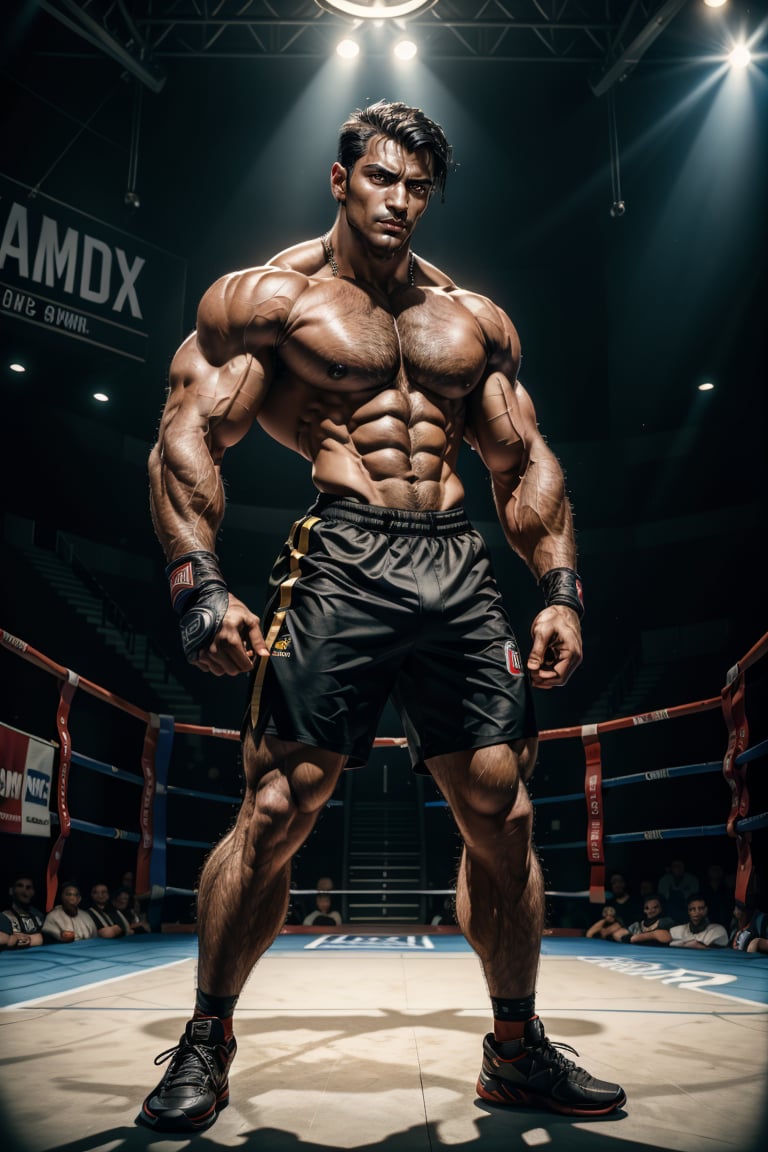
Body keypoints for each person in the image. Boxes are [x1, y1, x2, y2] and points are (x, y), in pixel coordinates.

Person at [138, 99, 625, 1131]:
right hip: (346, 554)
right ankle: (205, 1041)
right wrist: (199, 584)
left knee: (503, 812)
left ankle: (515, 1049)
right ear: (339, 179)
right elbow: (187, 436)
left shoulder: (472, 320)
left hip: (457, 564)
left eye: (416, 186)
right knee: (277, 805)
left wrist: (562, 590)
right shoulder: (273, 302)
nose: (399, 200)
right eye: (380, 179)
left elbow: (523, 460)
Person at [0, 876, 45, 949]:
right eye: (20, 886)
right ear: (11, 891)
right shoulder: (4, 917)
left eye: (29, 887)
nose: (25, 890)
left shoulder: (39, 916)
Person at [657, 858, 699, 925]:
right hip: (668, 913)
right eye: (675, 866)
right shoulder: (664, 880)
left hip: (687, 911)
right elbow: (663, 897)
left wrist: (680, 894)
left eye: (679, 866)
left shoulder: (692, 879)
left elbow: (693, 896)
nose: (677, 868)